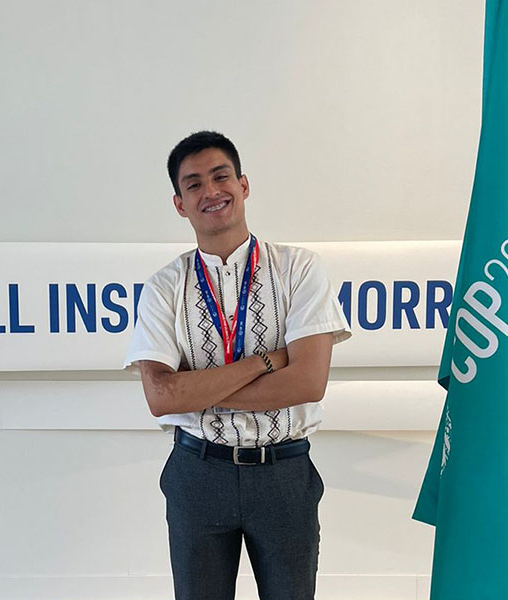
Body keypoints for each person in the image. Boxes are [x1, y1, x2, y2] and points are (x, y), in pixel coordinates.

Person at [124, 131, 351, 600]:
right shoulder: (164, 287)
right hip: (198, 472)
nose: (210, 191)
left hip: (284, 473)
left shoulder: (299, 269)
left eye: (220, 176)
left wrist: (198, 390)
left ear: (243, 185)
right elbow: (160, 399)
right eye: (193, 185)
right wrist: (266, 361)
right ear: (179, 203)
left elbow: (309, 381)